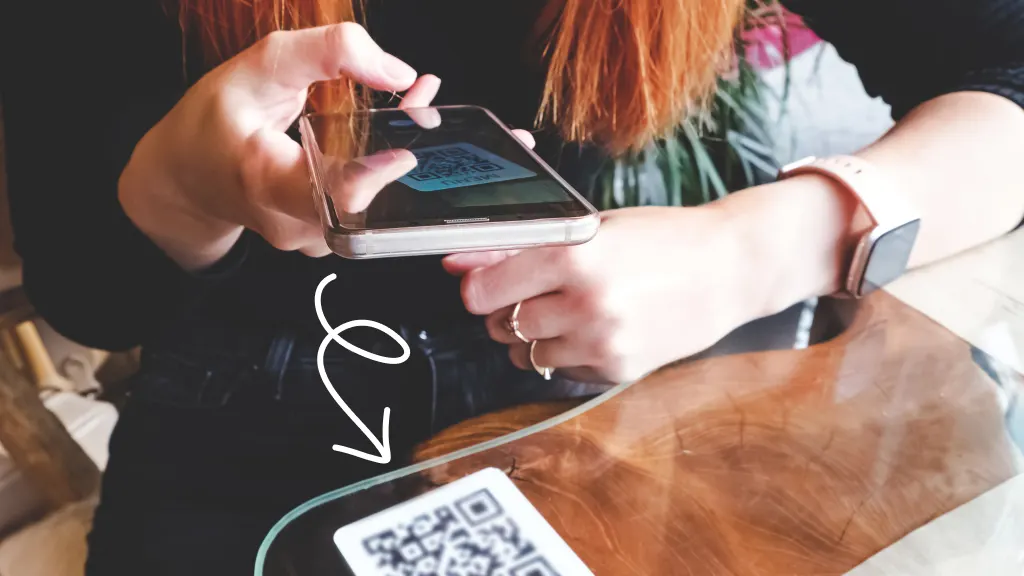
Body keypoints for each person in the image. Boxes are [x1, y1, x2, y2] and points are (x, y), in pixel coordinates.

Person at [1, 0, 1022, 573]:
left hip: (627, 375)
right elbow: (90, 295)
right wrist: (183, 181)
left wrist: (753, 248)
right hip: (246, 416)